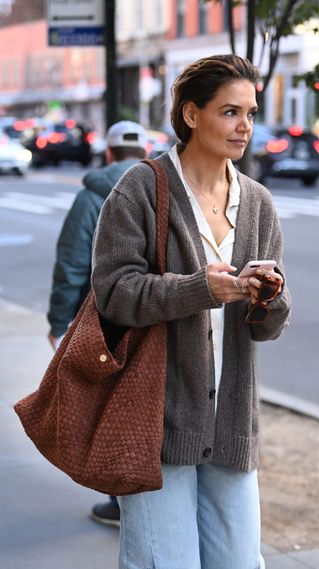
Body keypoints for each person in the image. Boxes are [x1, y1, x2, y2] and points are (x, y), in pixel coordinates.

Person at [91, 54, 291, 569]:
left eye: (250, 112)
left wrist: (267, 297)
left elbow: (268, 328)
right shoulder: (141, 189)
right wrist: (199, 288)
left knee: (239, 563)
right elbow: (113, 292)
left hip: (230, 424)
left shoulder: (259, 203)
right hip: (157, 421)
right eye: (229, 112)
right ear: (191, 114)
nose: (244, 126)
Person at [47, 120, 148, 527]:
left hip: (103, 319)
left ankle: (119, 497)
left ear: (107, 153)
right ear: (143, 151)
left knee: (110, 406)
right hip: (153, 313)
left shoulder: (91, 197)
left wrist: (59, 321)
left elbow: (71, 262)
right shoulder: (161, 188)